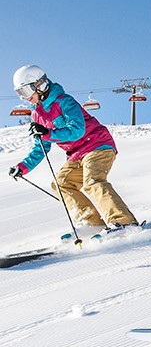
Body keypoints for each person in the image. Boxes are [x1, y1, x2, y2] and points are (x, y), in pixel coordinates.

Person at [8, 65, 138, 233]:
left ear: (39, 85)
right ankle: (93, 224)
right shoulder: (37, 115)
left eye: (25, 92)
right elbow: (41, 147)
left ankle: (124, 222)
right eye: (20, 94)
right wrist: (22, 167)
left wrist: (48, 132)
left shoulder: (64, 102)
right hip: (76, 155)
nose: (25, 98)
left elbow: (77, 130)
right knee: (61, 183)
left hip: (97, 145)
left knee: (92, 181)